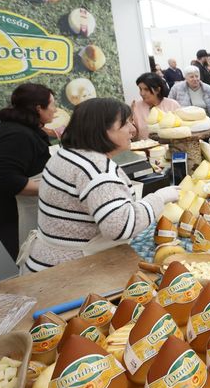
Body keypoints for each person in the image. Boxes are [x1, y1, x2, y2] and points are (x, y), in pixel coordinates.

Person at [21, 98, 180, 273]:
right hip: (72, 271)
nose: (133, 130)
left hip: (46, 262)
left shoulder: (67, 154)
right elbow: (120, 227)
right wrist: (159, 198)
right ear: (102, 130)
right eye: (125, 124)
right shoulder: (97, 169)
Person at [0, 84, 54, 261]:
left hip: (18, 211)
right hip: (11, 215)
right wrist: (54, 188)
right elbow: (6, 179)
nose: (55, 109)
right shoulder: (16, 135)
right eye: (52, 104)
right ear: (39, 108)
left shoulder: (23, 129)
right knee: (34, 264)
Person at [131, 72, 180, 140]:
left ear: (157, 90)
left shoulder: (172, 105)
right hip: (145, 145)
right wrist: (129, 119)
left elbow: (180, 129)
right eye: (140, 89)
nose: (142, 93)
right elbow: (132, 135)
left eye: (146, 89)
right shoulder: (136, 107)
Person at [168, 65, 210, 130]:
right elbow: (170, 104)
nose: (195, 79)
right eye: (191, 77)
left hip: (205, 124)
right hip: (184, 125)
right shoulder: (177, 88)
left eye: (197, 76)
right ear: (185, 78)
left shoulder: (207, 88)